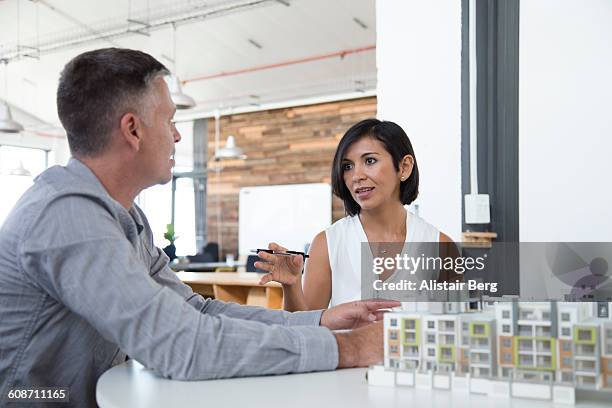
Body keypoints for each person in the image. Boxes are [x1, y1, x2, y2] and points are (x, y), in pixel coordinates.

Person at [0, 49, 398, 408]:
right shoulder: (68, 215)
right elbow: (181, 345)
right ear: (132, 130)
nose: (176, 135)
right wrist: (347, 347)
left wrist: (321, 321)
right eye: (170, 120)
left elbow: (194, 311)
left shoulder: (126, 218)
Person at [257, 119, 457, 310]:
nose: (356, 176)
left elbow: (454, 331)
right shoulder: (327, 244)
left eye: (370, 161)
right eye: (347, 166)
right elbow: (305, 329)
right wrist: (291, 286)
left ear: (404, 167)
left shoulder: (441, 247)